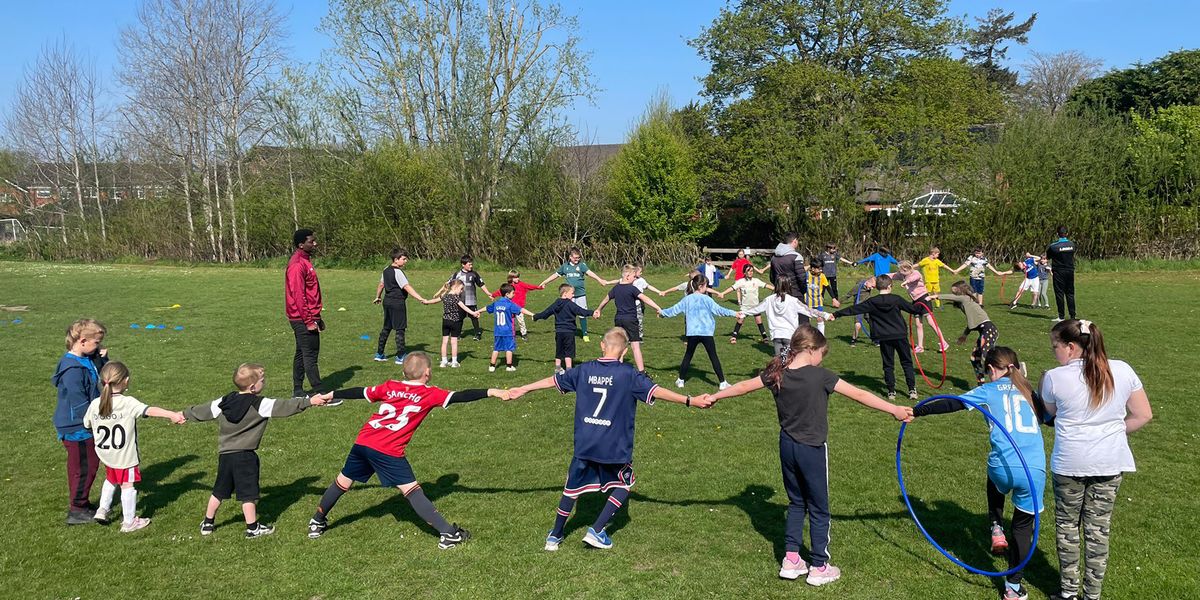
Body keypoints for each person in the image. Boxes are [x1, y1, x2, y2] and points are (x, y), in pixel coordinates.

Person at [706, 326, 913, 586]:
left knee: (795, 503)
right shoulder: (821, 376)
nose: (822, 360)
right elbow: (859, 394)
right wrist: (893, 409)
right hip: (812, 449)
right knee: (818, 507)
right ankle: (819, 566)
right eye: (821, 354)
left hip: (787, 447)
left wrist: (716, 396)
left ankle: (791, 560)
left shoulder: (777, 371)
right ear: (811, 350)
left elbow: (745, 386)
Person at [507, 328, 713, 551]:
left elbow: (552, 380)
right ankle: (596, 530)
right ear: (624, 351)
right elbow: (657, 392)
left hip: (585, 443)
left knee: (571, 489)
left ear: (602, 346)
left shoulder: (583, 370)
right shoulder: (629, 374)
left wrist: (524, 388)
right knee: (625, 483)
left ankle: (554, 537)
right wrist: (689, 400)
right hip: (613, 446)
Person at [306, 352, 510, 547]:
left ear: (403, 373)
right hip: (387, 450)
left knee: (343, 481)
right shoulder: (430, 393)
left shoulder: (389, 386)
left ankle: (317, 521)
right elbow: (461, 396)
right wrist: (491, 391)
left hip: (364, 441)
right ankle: (448, 534)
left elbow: (359, 391)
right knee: (412, 491)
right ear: (427, 373)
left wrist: (331, 394)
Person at [912, 347, 1048, 600]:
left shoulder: (988, 389)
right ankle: (1013, 588)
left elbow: (954, 402)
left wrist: (919, 410)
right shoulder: (1031, 392)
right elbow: (1052, 418)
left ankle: (996, 526)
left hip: (1002, 468)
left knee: (996, 477)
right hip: (1034, 469)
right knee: (1022, 527)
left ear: (992, 370)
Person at [1041, 320, 1151, 600]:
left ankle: (1068, 593)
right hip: (1110, 462)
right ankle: (1092, 595)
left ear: (1071, 346)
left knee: (1068, 527)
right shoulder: (1123, 370)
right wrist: (1112, 430)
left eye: (1056, 347)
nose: (1054, 352)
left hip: (1070, 463)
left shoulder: (1055, 377)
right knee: (1098, 529)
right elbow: (1142, 415)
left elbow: (1049, 415)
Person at [184, 363, 327, 538]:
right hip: (245, 456)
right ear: (252, 387)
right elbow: (285, 406)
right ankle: (253, 528)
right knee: (248, 495)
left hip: (225, 456)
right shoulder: (260, 404)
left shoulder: (223, 401)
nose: (264, 383)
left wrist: (183, 414)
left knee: (219, 491)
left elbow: (202, 411)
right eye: (262, 380)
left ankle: (207, 523)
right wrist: (310, 401)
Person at [83, 362, 186, 532]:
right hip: (124, 455)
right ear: (126, 381)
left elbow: (86, 423)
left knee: (111, 479)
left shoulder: (96, 403)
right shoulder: (127, 402)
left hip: (106, 453)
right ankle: (129, 522)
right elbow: (149, 410)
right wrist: (171, 414)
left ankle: (102, 509)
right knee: (127, 485)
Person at [52, 318, 110, 525]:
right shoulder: (72, 370)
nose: (99, 347)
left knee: (87, 465)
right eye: (97, 343)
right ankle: (77, 509)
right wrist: (93, 422)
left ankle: (82, 503)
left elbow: (102, 378)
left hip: (83, 424)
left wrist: (102, 359)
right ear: (82, 341)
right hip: (77, 426)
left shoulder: (85, 360)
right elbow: (78, 402)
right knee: (84, 467)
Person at [832, 274, 920, 401]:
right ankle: (912, 390)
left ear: (877, 287)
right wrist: (923, 303)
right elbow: (913, 310)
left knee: (888, 364)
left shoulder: (872, 301)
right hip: (900, 335)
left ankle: (891, 392)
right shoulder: (896, 299)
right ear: (890, 286)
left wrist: (836, 314)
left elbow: (854, 309)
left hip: (884, 337)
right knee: (906, 362)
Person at [660, 275, 742, 390]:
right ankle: (722, 382)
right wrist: (734, 313)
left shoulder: (687, 299)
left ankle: (681, 380)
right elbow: (720, 310)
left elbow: (674, 310)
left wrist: (663, 313)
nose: (707, 287)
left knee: (688, 356)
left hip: (692, 333)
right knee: (713, 356)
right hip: (706, 333)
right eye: (706, 285)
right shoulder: (707, 299)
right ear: (701, 286)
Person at [593, 265, 664, 372]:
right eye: (633, 277)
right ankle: (641, 372)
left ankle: (617, 369)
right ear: (627, 276)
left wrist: (599, 309)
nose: (635, 279)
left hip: (618, 320)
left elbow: (606, 299)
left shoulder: (616, 288)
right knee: (635, 347)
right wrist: (658, 308)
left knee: (620, 344)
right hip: (630, 320)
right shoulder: (632, 288)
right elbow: (646, 298)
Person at [372, 248, 435, 365]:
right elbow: (406, 287)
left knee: (387, 327)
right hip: (397, 303)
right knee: (400, 329)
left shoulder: (386, 270)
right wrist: (420, 298)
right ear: (396, 260)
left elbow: (381, 285)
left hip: (387, 302)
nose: (406, 261)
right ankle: (401, 356)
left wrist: (378, 296)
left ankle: (379, 354)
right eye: (404, 259)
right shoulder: (398, 272)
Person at [742, 277, 831, 357]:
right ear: (789, 286)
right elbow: (809, 311)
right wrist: (826, 315)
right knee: (790, 361)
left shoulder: (769, 299)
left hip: (776, 335)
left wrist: (741, 313)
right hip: (789, 335)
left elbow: (755, 309)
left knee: (779, 361)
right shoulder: (793, 301)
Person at [538, 248, 610, 342]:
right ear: (570, 257)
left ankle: (584, 334)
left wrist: (599, 280)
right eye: (575, 258)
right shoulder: (565, 267)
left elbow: (590, 273)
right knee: (569, 313)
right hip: (569, 296)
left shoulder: (582, 266)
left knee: (582, 313)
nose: (577, 259)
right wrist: (545, 282)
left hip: (580, 295)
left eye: (578, 258)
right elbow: (555, 275)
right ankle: (570, 330)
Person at [935, 281, 999, 385]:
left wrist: (934, 296)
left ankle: (1010, 368)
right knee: (974, 358)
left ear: (960, 290)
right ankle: (981, 384)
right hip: (984, 331)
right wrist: (964, 335)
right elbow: (972, 323)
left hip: (989, 329)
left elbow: (951, 297)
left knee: (985, 353)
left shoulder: (965, 298)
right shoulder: (965, 304)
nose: (953, 293)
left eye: (955, 290)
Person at [286, 228, 324, 397]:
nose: (315, 243)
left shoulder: (305, 260)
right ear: (301, 244)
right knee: (310, 355)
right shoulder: (296, 264)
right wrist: (309, 321)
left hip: (308, 316)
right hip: (301, 318)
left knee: (301, 353)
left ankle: (298, 391)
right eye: (311, 241)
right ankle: (320, 393)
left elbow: (310, 292)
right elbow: (298, 296)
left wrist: (318, 317)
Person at [533, 284, 595, 373]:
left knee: (559, 349)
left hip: (559, 331)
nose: (573, 295)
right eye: (572, 293)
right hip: (569, 331)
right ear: (565, 294)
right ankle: (569, 369)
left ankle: (557, 368)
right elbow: (581, 311)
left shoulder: (556, 304)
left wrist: (536, 317)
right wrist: (592, 313)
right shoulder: (571, 304)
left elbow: (545, 313)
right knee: (569, 351)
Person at [896, 261, 947, 353]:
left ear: (906, 269)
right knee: (918, 324)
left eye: (901, 271)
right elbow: (893, 275)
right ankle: (920, 346)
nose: (900, 273)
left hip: (924, 298)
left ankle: (943, 342)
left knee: (931, 322)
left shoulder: (916, 273)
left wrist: (906, 282)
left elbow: (915, 278)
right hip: (915, 300)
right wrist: (881, 276)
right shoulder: (903, 275)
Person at [439, 255, 491, 342]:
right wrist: (441, 291)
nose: (471, 266)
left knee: (474, 317)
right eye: (469, 264)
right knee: (459, 318)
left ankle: (477, 333)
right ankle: (457, 334)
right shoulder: (457, 274)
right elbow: (448, 284)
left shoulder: (474, 274)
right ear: (463, 264)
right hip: (460, 301)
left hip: (471, 301)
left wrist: (488, 293)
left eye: (471, 264)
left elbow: (481, 284)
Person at [486, 283, 535, 372]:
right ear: (507, 294)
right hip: (508, 331)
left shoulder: (496, 303)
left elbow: (487, 308)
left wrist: (477, 312)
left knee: (496, 348)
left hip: (498, 331)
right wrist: (533, 314)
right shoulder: (510, 304)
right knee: (509, 349)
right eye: (513, 293)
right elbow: (521, 310)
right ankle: (509, 366)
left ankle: (492, 366)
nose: (514, 294)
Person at [716, 268, 774, 344]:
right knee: (740, 319)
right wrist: (723, 293)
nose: (750, 273)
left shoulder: (756, 281)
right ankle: (733, 337)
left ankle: (765, 338)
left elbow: (766, 285)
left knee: (759, 320)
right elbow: (732, 288)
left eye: (751, 271)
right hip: (745, 307)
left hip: (755, 306)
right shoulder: (741, 282)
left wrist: (777, 288)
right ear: (744, 272)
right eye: (748, 271)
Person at [432, 280, 480, 368]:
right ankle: (454, 362)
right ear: (455, 287)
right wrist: (473, 313)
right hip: (455, 322)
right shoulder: (456, 298)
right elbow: (464, 307)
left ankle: (444, 361)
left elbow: (434, 301)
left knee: (444, 342)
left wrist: (426, 301)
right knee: (454, 342)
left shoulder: (445, 296)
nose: (461, 291)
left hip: (445, 321)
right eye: (461, 289)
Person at [490, 270, 544, 340]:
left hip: (519, 308)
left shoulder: (522, 284)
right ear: (510, 278)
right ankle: (512, 334)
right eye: (515, 277)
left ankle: (524, 333)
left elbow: (530, 286)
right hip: (510, 307)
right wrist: (493, 295)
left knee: (521, 321)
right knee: (511, 321)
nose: (517, 279)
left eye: (518, 277)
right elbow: (500, 291)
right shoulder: (508, 286)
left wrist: (539, 287)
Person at [802, 258, 841, 334]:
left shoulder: (822, 276)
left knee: (820, 319)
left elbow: (827, 287)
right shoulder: (806, 275)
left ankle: (821, 337)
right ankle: (807, 337)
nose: (821, 270)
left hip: (818, 302)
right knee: (807, 321)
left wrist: (834, 299)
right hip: (807, 302)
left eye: (821, 268)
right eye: (819, 269)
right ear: (812, 268)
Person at [1046, 227, 1077, 322]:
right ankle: (1072, 316)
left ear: (1057, 234)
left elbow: (1048, 257)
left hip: (1059, 272)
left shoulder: (1053, 246)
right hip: (1070, 271)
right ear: (1066, 233)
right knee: (1070, 293)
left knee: (1059, 293)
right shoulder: (1072, 244)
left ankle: (1061, 316)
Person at [843, 276, 877, 347]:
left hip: (868, 307)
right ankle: (853, 340)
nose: (872, 288)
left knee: (873, 322)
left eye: (873, 287)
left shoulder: (868, 285)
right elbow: (848, 295)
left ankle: (874, 340)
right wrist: (838, 301)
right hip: (859, 307)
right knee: (858, 325)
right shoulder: (858, 287)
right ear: (867, 282)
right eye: (872, 286)